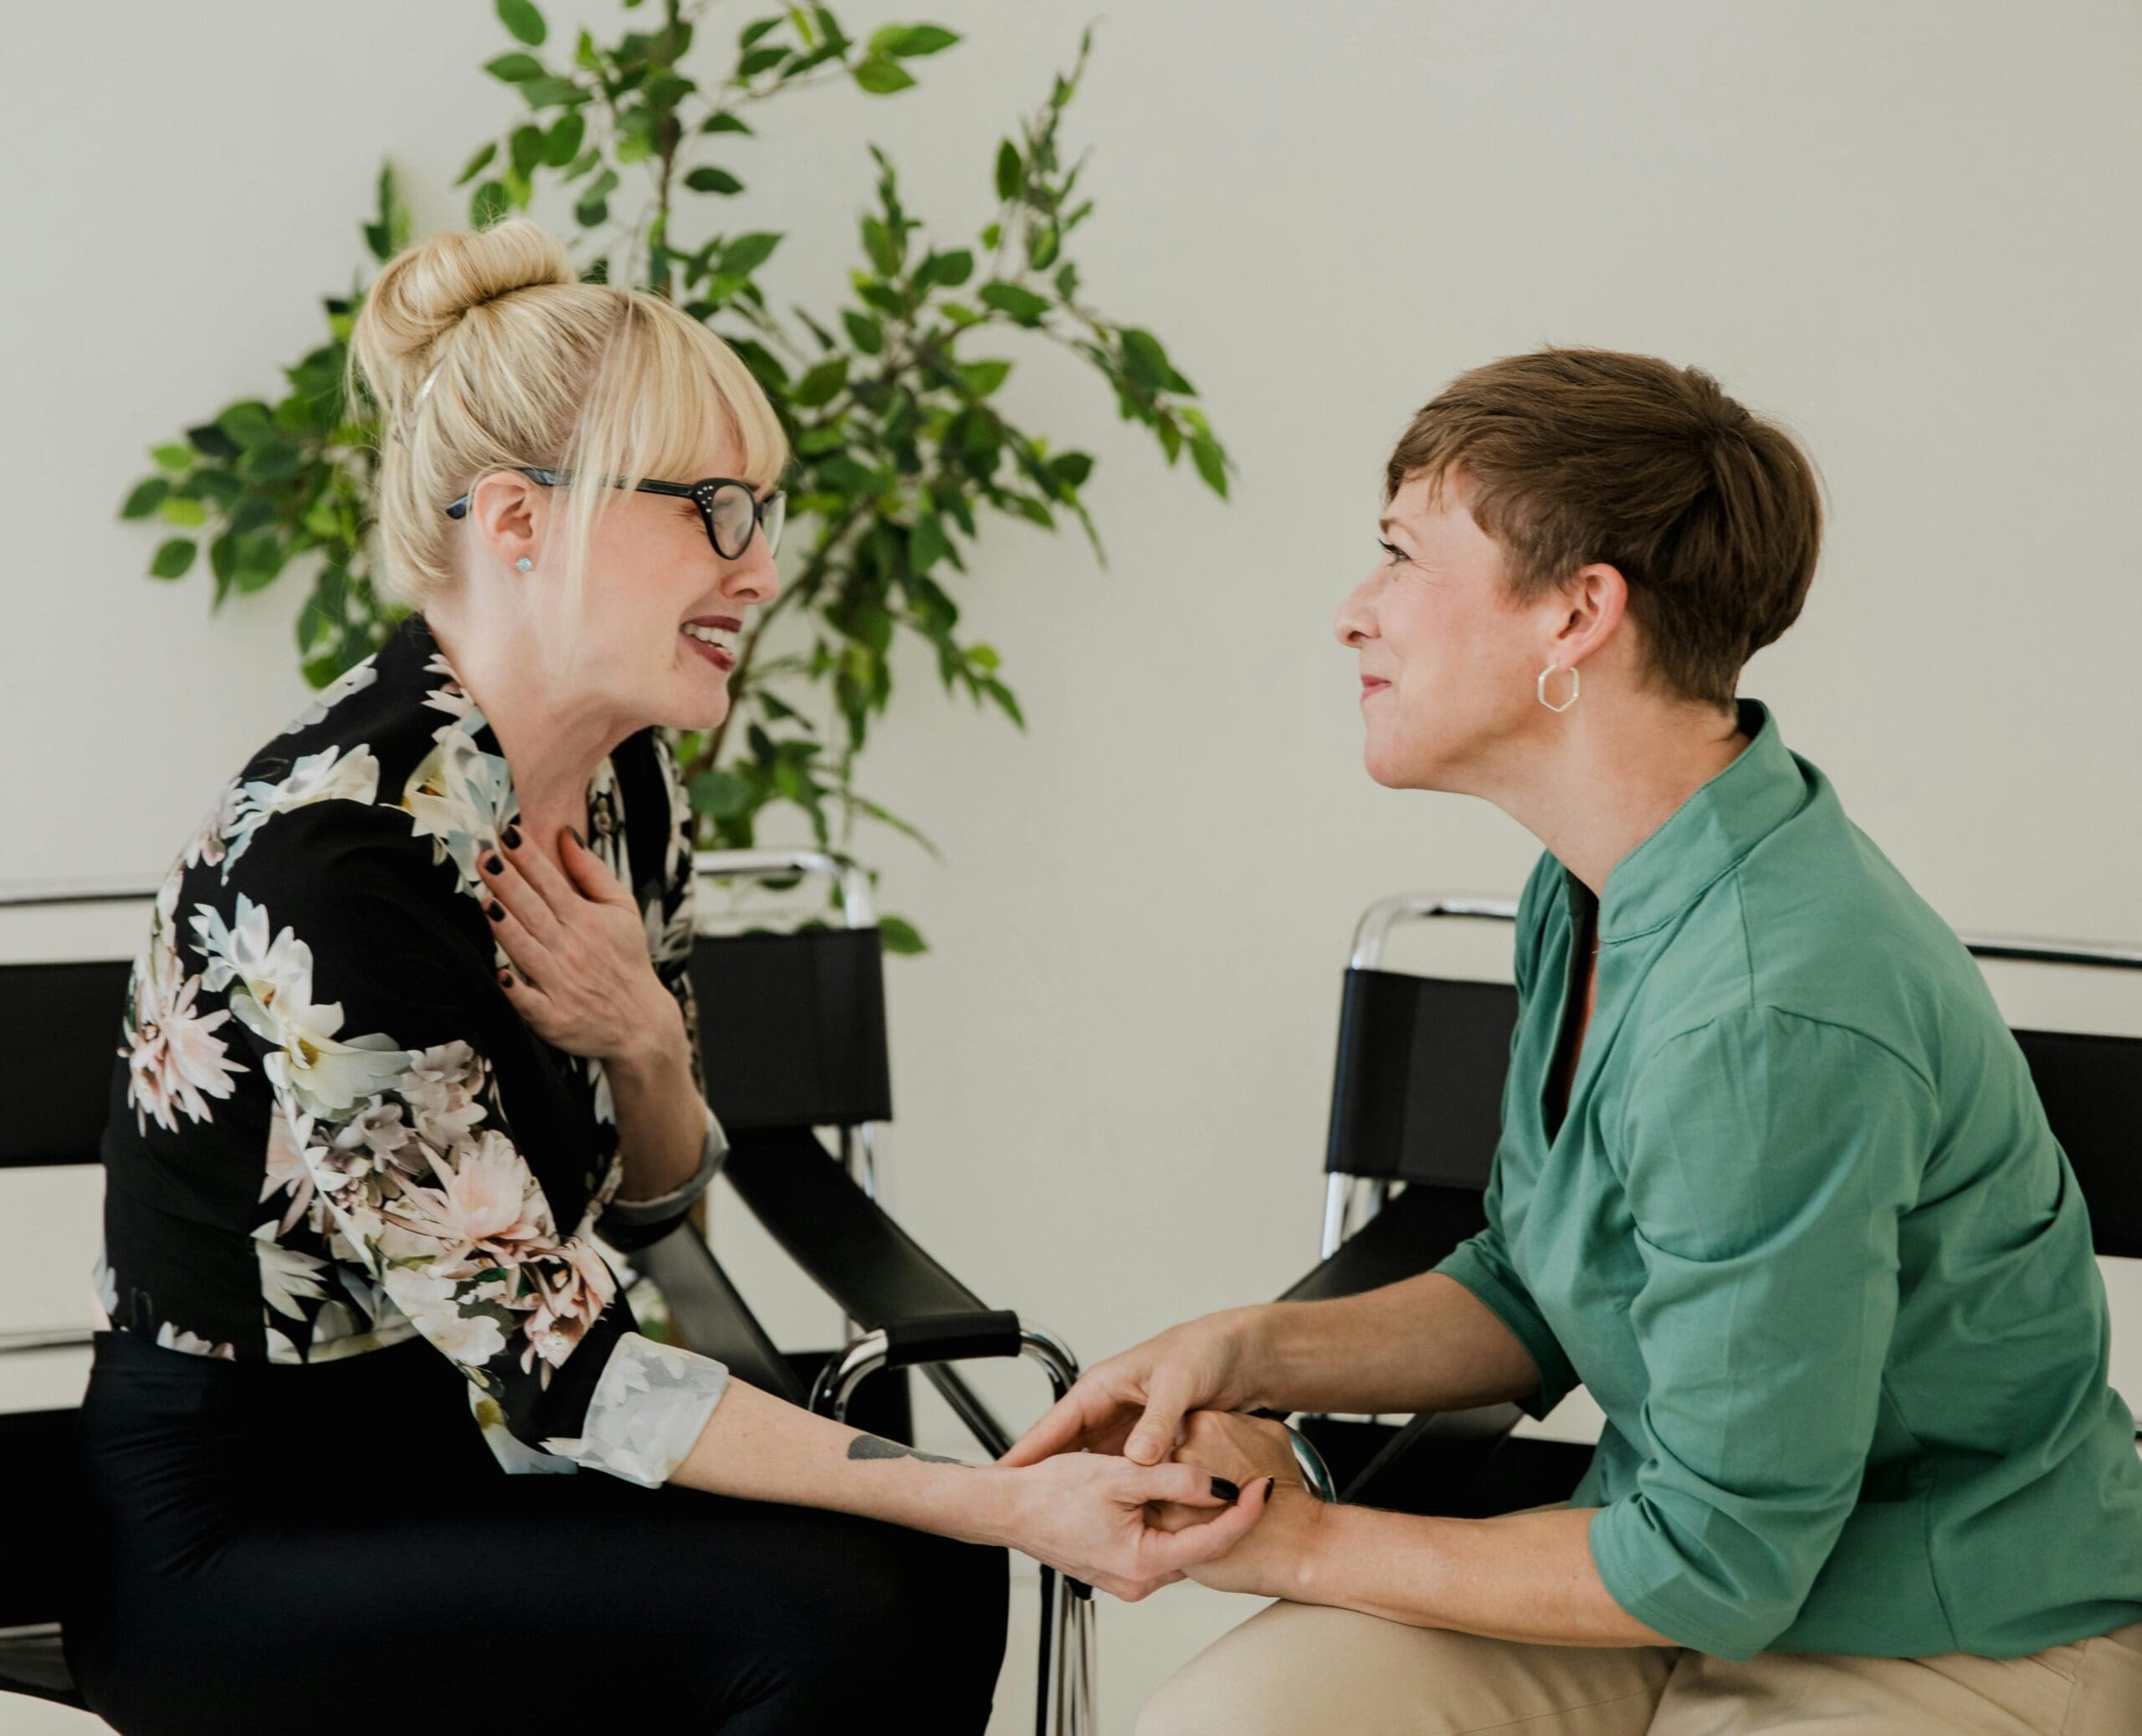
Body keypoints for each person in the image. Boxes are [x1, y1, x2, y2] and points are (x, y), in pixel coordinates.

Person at [65, 217, 1269, 1735]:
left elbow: (653, 1208)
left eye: (762, 509)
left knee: (931, 1574)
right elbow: (561, 1364)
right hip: (241, 1529)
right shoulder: (338, 862)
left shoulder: (623, 775)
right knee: (839, 1611)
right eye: (712, 507)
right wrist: (997, 1498)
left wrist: (643, 1046)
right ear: (515, 519)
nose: (762, 567)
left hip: (465, 1456)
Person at [1004, 347, 2142, 1733]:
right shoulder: (1598, 880)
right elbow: (1545, 1281)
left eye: (1400, 556)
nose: (1355, 615)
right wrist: (1241, 1350)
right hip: (1656, 1565)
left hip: (1933, 1627)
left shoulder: (1767, 1011)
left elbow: (1718, 1562)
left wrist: (1291, 1540)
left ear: (1575, 615)